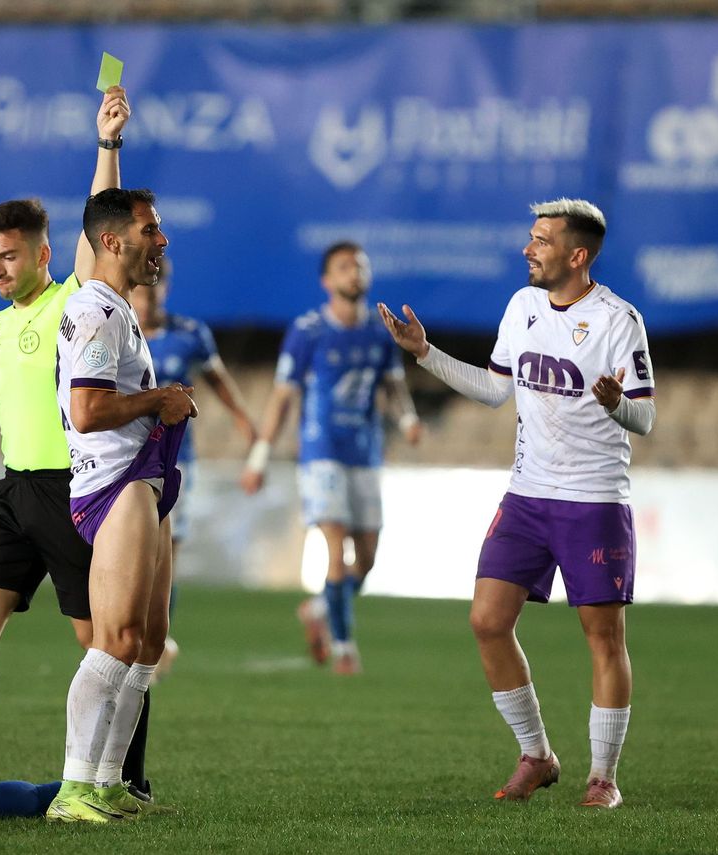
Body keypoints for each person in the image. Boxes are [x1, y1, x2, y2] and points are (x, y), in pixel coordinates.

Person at [377, 198, 654, 810]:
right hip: (528, 494)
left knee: (603, 638)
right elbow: (495, 389)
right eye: (530, 237)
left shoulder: (618, 320)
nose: (528, 249)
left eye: (542, 240)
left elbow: (648, 417)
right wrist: (425, 353)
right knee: (487, 621)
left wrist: (617, 405)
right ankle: (538, 755)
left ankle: (603, 777)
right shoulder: (523, 306)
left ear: (576, 256)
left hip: (593, 500)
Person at [0, 86, 161, 801]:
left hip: (72, 488)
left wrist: (108, 145)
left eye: (9, 256)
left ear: (43, 253)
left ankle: (126, 774)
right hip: (15, 492)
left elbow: (106, 226)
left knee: (108, 638)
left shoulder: (76, 300)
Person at [48, 187, 194, 824]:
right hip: (115, 483)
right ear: (113, 241)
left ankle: (108, 783)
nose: (161, 241)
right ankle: (73, 787)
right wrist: (158, 400)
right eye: (150, 230)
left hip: (143, 479)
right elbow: (87, 410)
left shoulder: (115, 307)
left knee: (149, 641)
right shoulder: (100, 311)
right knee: (115, 639)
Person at [241, 242, 421, 675]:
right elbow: (283, 396)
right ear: (327, 281)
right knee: (336, 552)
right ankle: (343, 647)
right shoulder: (308, 331)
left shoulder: (381, 333)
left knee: (369, 559)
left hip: (365, 452)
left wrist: (409, 418)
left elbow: (393, 386)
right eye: (344, 267)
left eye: (360, 265)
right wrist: (259, 457)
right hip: (321, 453)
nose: (354, 272)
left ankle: (321, 608)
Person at [128, 262, 258, 680]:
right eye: (140, 291)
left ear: (163, 286)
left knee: (167, 553)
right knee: (130, 553)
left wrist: (242, 419)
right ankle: (130, 633)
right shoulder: (117, 331)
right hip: (124, 459)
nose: (146, 300)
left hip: (175, 460)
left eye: (153, 289)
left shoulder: (190, 334)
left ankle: (159, 640)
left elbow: (217, 379)